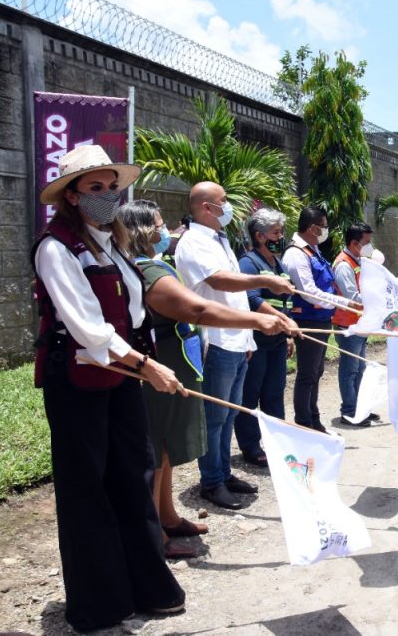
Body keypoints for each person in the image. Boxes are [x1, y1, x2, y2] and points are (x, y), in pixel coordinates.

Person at [32, 145, 185, 631]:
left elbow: (134, 313)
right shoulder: (56, 247)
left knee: (133, 473)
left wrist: (142, 362)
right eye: (94, 189)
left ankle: (145, 584)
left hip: (122, 374)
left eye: (111, 187)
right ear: (72, 196)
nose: (107, 196)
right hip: (78, 379)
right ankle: (99, 602)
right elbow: (87, 327)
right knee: (87, 487)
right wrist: (145, 364)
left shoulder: (112, 244)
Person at [116, 200, 291, 553]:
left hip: (178, 360)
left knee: (165, 448)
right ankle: (155, 537)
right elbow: (196, 308)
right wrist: (257, 320)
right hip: (159, 362)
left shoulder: (157, 263)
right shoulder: (146, 270)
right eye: (160, 225)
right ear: (141, 231)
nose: (167, 232)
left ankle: (167, 515)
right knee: (155, 448)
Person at [174, 182, 294, 510]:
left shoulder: (220, 239)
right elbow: (219, 281)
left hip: (237, 340)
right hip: (216, 340)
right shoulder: (194, 242)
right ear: (206, 208)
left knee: (229, 414)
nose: (229, 207)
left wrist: (247, 338)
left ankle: (224, 473)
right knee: (214, 417)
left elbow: (235, 295)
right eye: (223, 201)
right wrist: (265, 280)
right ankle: (211, 481)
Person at [236, 208, 295, 466]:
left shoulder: (277, 263)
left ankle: (278, 440)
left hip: (278, 341)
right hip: (258, 340)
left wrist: (288, 332)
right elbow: (251, 298)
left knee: (274, 391)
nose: (280, 236)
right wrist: (283, 320)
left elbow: (285, 301)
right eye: (276, 232)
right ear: (260, 236)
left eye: (280, 231)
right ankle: (250, 445)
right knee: (251, 392)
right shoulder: (249, 263)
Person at [283, 206, 348, 431]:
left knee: (317, 371)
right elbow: (308, 292)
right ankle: (305, 420)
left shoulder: (313, 249)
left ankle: (313, 415)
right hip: (308, 319)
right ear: (312, 228)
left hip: (321, 318)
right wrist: (342, 302)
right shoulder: (296, 253)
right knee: (308, 372)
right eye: (323, 226)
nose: (325, 230)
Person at [333, 222, 378, 427]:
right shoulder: (344, 265)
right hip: (347, 326)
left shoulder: (357, 260)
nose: (369, 247)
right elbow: (352, 296)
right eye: (366, 242)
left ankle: (360, 408)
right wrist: (378, 297)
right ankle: (349, 412)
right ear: (354, 243)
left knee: (360, 368)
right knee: (350, 369)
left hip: (360, 323)